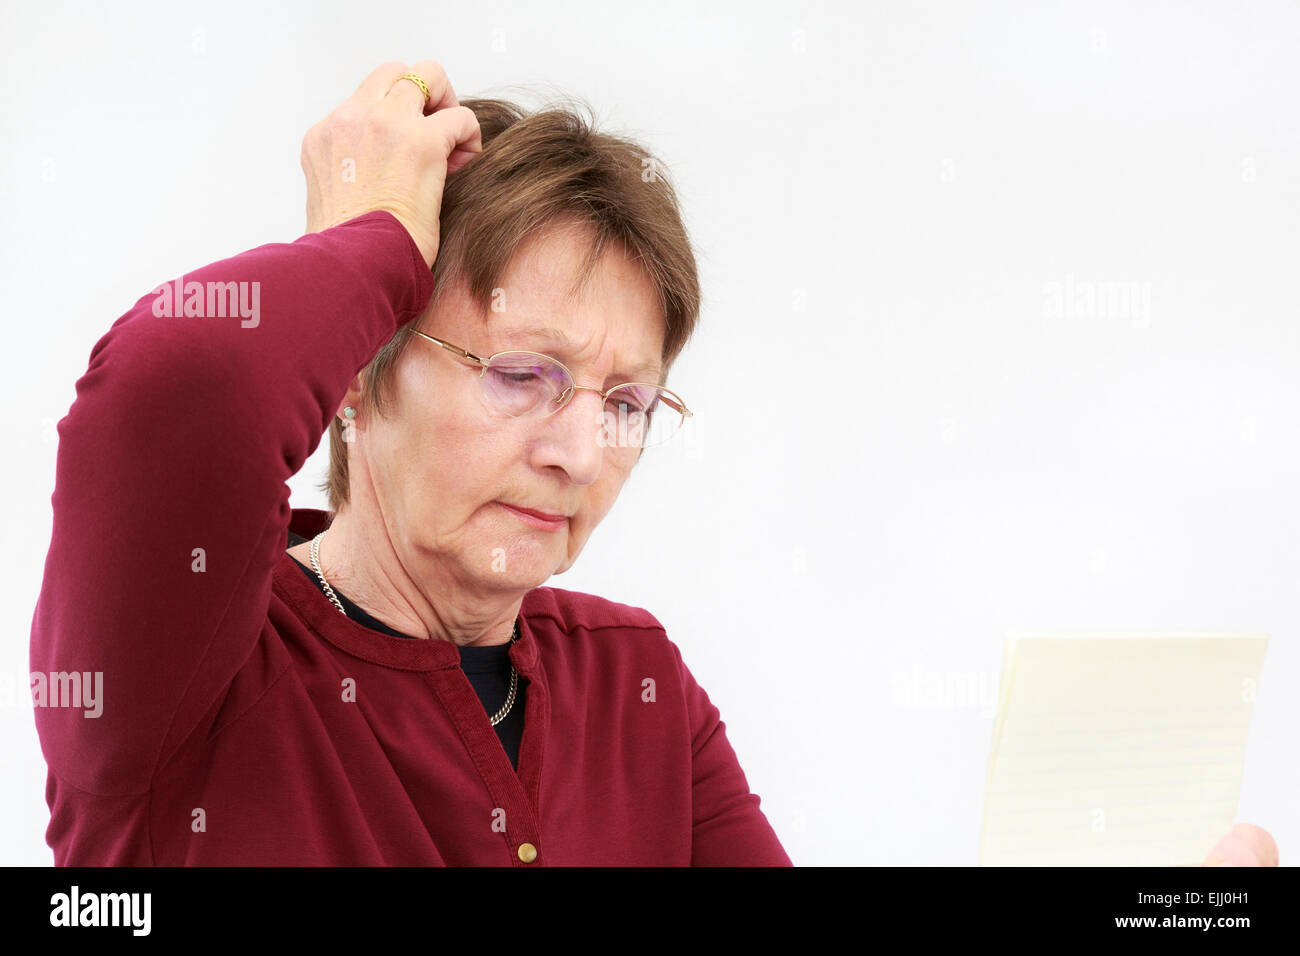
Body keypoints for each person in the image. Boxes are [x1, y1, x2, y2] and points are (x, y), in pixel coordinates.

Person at [29, 59, 792, 866]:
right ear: (359, 367)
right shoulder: (187, 668)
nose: (577, 454)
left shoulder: (636, 683)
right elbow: (173, 385)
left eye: (623, 405)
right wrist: (373, 241)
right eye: (522, 375)